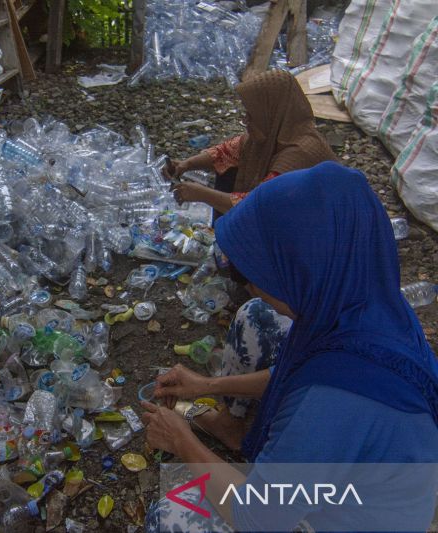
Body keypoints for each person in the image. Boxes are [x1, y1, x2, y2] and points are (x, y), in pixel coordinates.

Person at [142, 162, 438, 532]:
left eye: (256, 272)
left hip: (348, 519)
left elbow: (255, 517)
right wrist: (206, 386)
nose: (249, 285)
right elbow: (293, 374)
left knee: (173, 515)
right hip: (362, 471)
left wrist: (181, 441)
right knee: (258, 318)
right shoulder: (367, 305)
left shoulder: (331, 405)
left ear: (304, 267)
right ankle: (234, 430)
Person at [164, 70, 336, 214]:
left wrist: (203, 194)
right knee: (229, 168)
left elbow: (259, 205)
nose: (246, 120)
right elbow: (224, 153)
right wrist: (185, 165)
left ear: (271, 115)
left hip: (315, 228)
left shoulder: (300, 152)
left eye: (251, 115)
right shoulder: (269, 137)